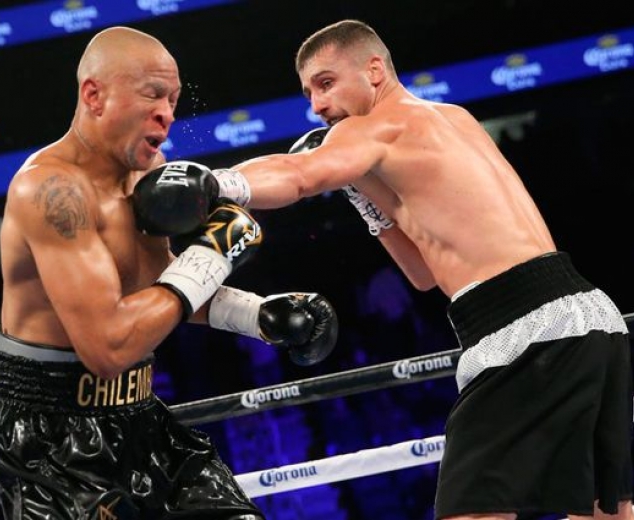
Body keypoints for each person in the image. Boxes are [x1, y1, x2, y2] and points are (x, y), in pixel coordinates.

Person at [132, 19, 633, 520]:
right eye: (309, 92)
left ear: (374, 70)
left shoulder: (375, 126)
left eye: (326, 83)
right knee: (604, 511)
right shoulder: (452, 118)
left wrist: (210, 182)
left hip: (525, 331)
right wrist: (365, 197)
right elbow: (424, 274)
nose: (317, 105)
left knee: (473, 511)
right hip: (589, 318)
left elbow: (297, 175)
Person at [0, 26, 338, 520]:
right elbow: (108, 348)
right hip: (50, 439)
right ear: (94, 96)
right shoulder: (50, 192)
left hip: (139, 415)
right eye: (152, 94)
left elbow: (160, 286)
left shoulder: (148, 174)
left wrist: (253, 314)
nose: (167, 112)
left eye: (172, 99)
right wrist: (212, 256)